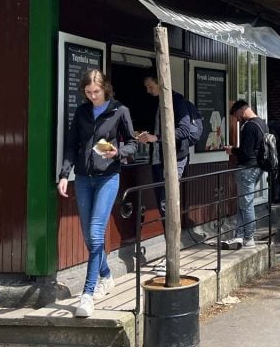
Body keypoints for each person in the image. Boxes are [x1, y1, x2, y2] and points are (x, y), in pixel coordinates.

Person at [58, 69, 137, 318]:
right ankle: (106, 275)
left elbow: (133, 143)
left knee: (95, 232)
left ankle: (88, 294)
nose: (92, 96)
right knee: (89, 237)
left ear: (105, 89)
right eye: (88, 92)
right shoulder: (81, 112)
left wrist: (118, 152)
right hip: (82, 178)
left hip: (108, 177)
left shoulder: (119, 111)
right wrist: (63, 174)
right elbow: (72, 145)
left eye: (96, 92)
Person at [136, 71, 200, 215]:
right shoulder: (155, 102)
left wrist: (156, 137)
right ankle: (167, 236)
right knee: (161, 203)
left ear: (160, 83)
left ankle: (172, 237)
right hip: (158, 158)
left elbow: (184, 131)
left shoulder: (177, 101)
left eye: (150, 86)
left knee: (168, 202)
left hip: (175, 157)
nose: (148, 90)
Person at [224, 99, 266, 248]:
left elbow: (245, 153)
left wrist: (232, 150)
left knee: (246, 204)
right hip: (258, 167)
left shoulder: (248, 127)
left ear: (242, 111)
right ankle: (239, 235)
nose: (237, 119)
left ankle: (249, 237)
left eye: (237, 115)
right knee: (244, 202)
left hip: (247, 169)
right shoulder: (262, 123)